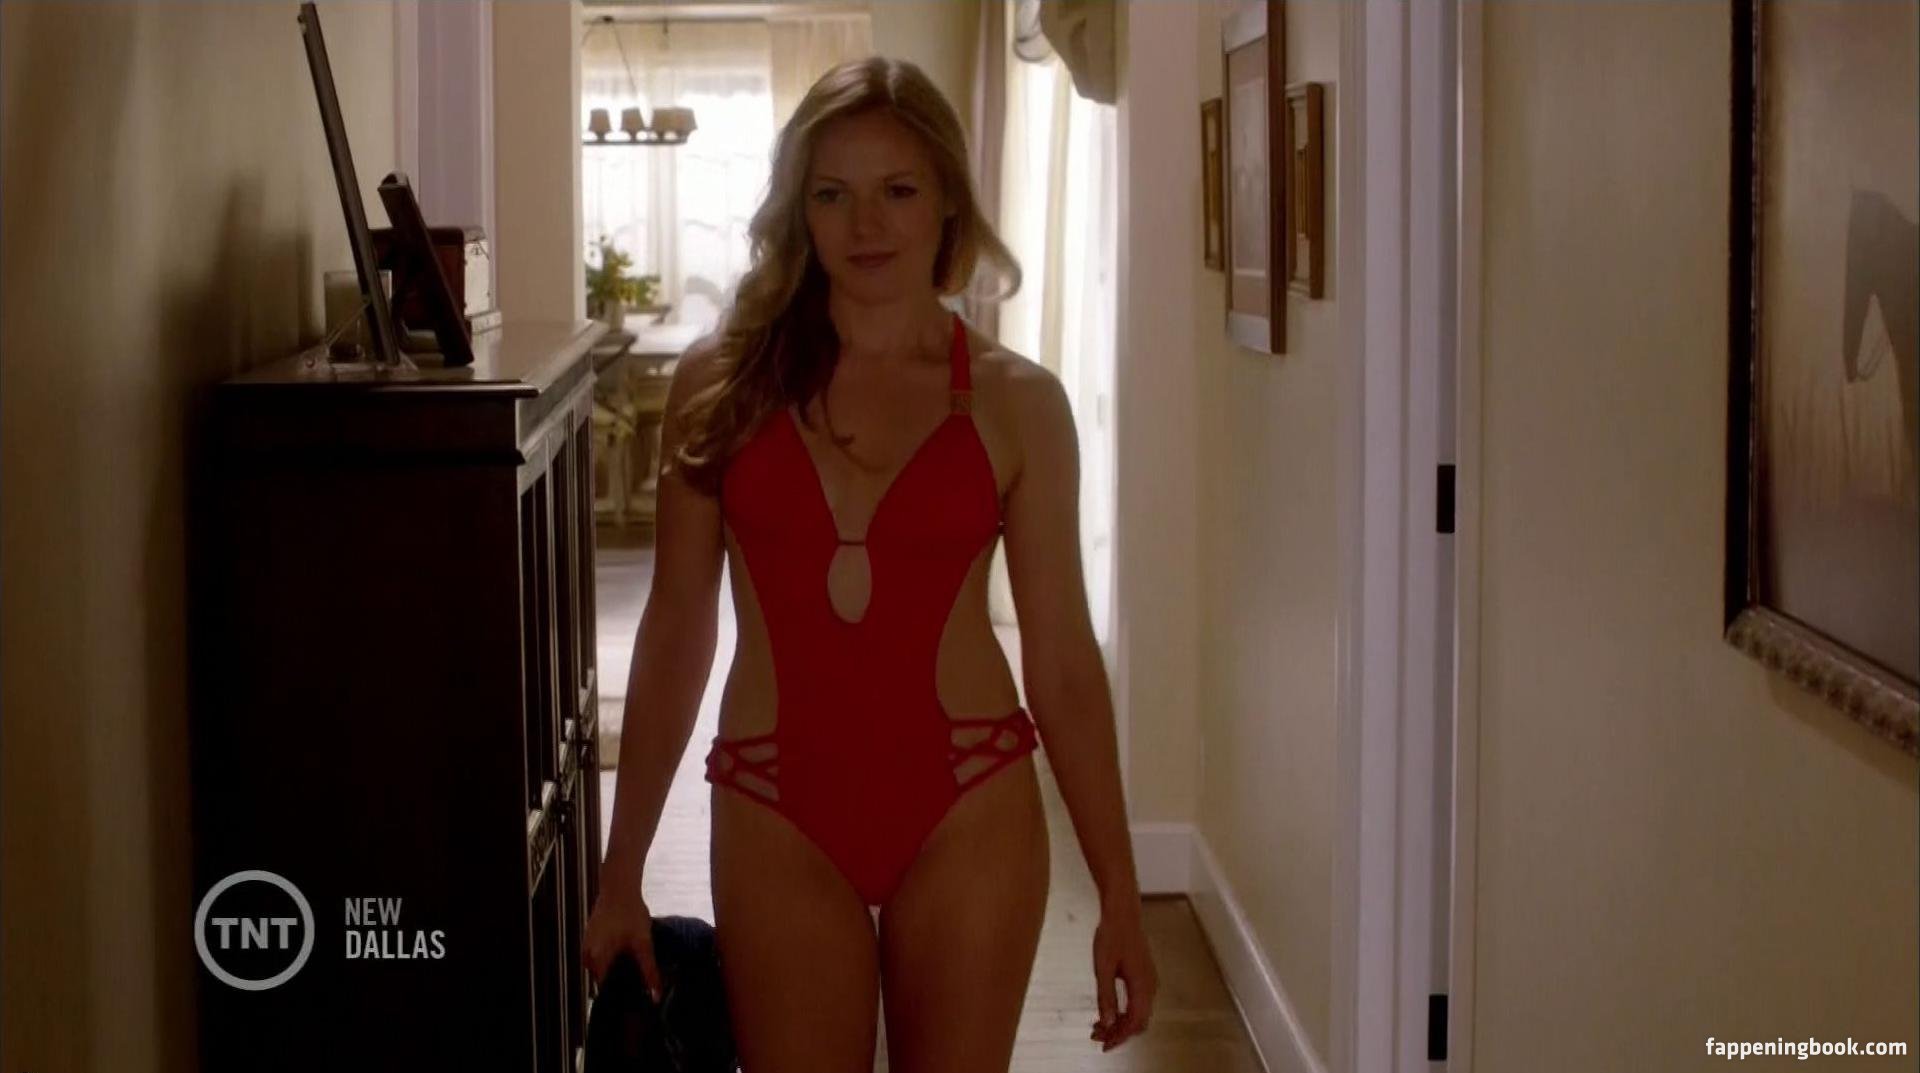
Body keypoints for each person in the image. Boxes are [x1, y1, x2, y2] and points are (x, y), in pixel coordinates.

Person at [581, 55, 1155, 1071]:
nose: (866, 224)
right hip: (775, 806)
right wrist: (620, 871)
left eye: (898, 190)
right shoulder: (721, 386)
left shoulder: (1021, 404)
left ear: (948, 202)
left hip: (969, 803)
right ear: (797, 210)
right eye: (832, 194)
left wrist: (1119, 890)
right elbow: (676, 629)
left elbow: (1063, 659)